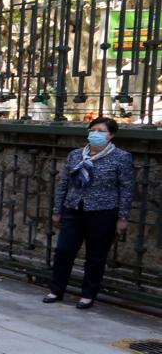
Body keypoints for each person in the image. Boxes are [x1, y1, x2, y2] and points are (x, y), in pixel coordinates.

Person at [45, 117, 134, 309]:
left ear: (110, 135)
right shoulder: (76, 155)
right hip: (74, 208)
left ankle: (88, 294)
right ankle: (56, 289)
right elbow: (64, 184)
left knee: (95, 256)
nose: (95, 134)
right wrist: (57, 210)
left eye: (101, 131)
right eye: (93, 129)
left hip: (103, 212)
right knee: (64, 251)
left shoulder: (121, 158)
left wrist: (123, 217)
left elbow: (126, 189)